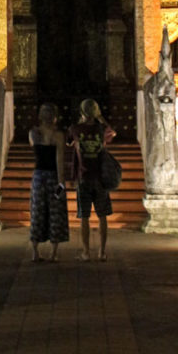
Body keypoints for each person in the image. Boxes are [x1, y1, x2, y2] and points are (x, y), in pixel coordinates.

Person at [68, 98, 116, 262]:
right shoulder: (101, 128)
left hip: (84, 177)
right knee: (102, 216)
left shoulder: (75, 129)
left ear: (82, 112)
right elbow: (112, 132)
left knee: (85, 217)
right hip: (100, 177)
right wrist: (100, 117)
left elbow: (69, 142)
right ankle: (102, 252)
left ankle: (86, 252)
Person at [28, 103, 69, 262]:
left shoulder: (33, 133)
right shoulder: (58, 135)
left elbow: (35, 150)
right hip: (53, 177)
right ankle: (53, 253)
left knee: (37, 211)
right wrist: (61, 183)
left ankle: (35, 251)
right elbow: (59, 160)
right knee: (55, 213)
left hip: (38, 176)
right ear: (54, 117)